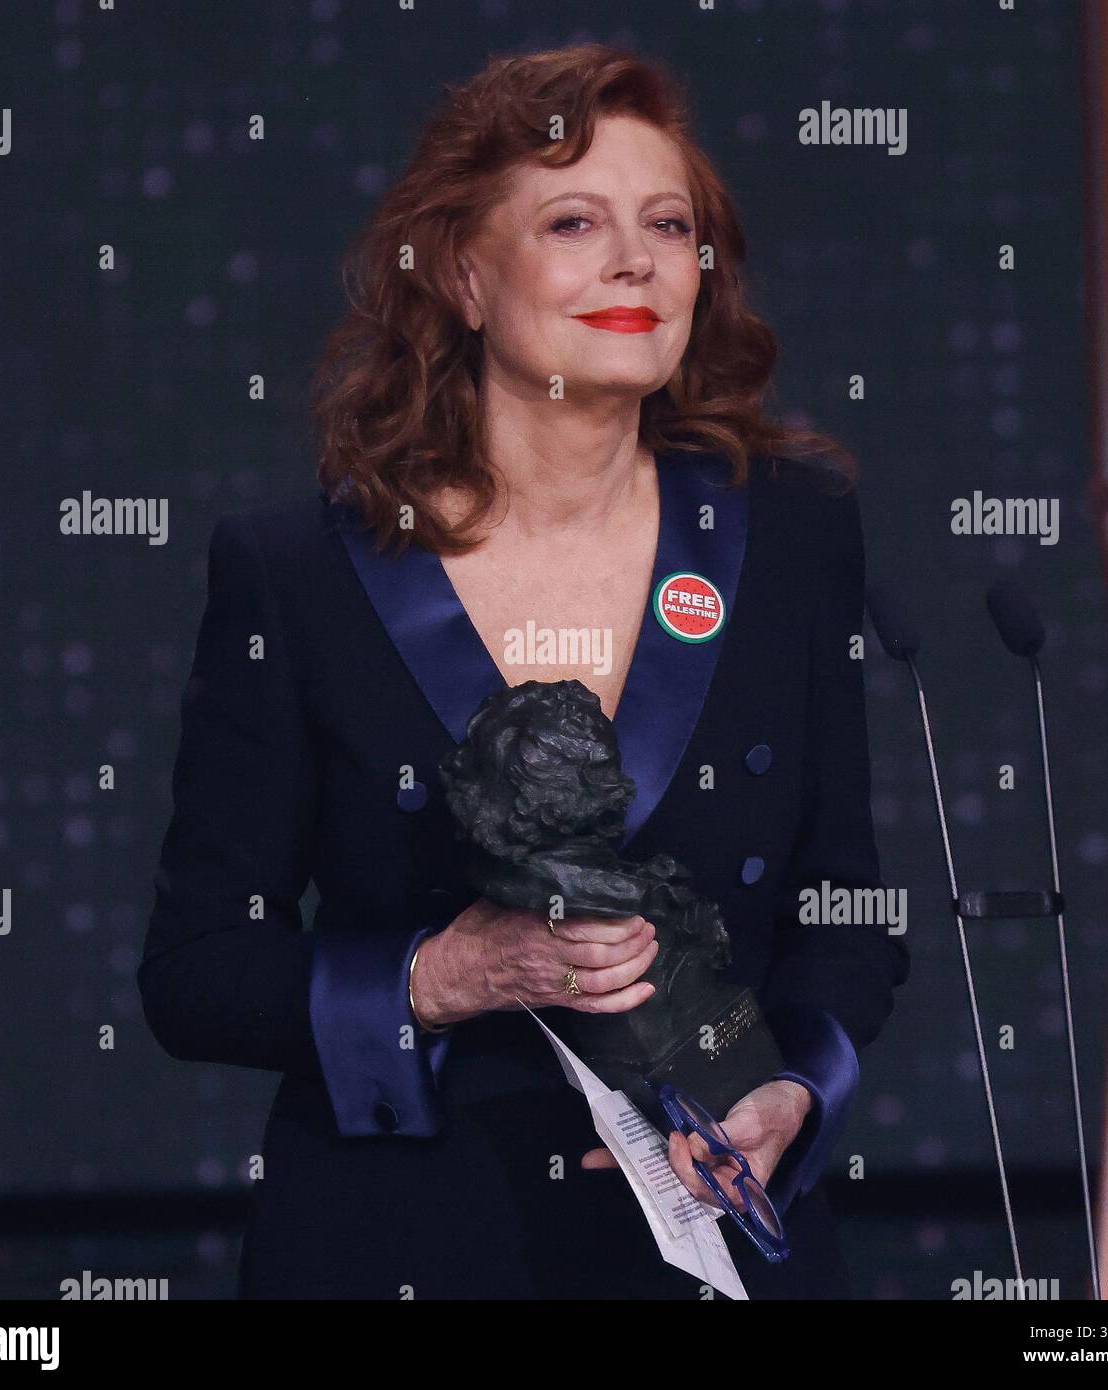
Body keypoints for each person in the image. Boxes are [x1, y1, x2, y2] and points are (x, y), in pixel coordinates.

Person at [138, 41, 909, 1300]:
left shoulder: (797, 534)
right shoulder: (295, 573)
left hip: (712, 1244)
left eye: (668, 223)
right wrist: (444, 975)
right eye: (572, 220)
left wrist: (792, 1088)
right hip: (403, 1242)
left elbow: (846, 911)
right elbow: (195, 971)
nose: (636, 260)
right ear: (461, 275)